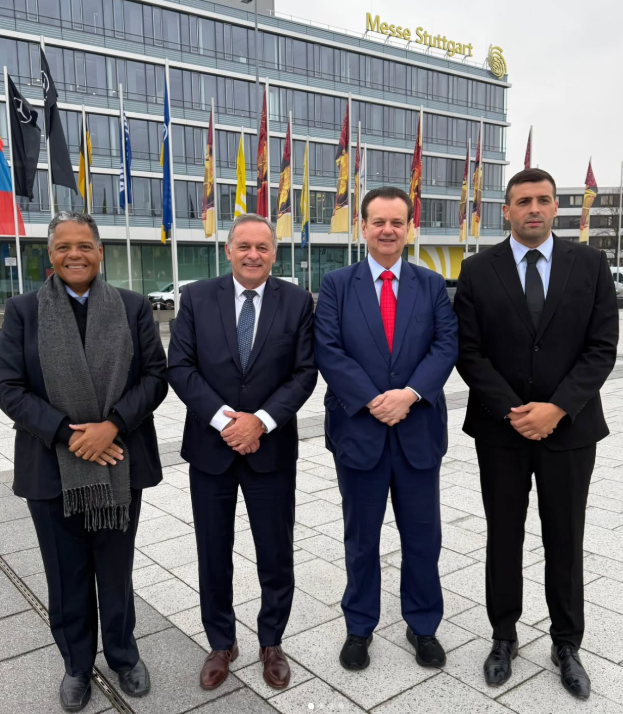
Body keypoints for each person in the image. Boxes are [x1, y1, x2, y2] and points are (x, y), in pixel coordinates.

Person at [454, 169, 618, 700]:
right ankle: (503, 636)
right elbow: (468, 351)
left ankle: (566, 643)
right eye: (523, 201)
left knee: (565, 538)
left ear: (555, 208)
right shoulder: (477, 270)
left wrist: (557, 408)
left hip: (570, 431)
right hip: (501, 432)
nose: (534, 208)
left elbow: (602, 347)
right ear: (506, 210)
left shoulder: (590, 265)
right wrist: (514, 412)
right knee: (503, 535)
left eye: (543, 200)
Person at [0, 212, 168, 712]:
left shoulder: (133, 307)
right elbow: (9, 387)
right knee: (65, 574)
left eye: (84, 245)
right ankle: (76, 665)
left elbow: (155, 378)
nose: (74, 254)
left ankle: (123, 655)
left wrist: (111, 425)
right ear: (50, 255)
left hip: (120, 461)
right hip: (50, 467)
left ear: (100, 252)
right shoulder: (23, 311)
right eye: (63, 247)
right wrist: (68, 435)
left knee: (115, 572)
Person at [167, 214, 317, 692]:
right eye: (245, 246)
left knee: (275, 552)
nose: (254, 255)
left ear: (275, 253)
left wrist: (262, 421)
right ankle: (221, 642)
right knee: (213, 551)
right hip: (211, 450)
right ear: (228, 250)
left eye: (263, 247)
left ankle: (272, 641)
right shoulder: (196, 297)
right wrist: (227, 421)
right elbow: (180, 367)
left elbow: (305, 372)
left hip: (271, 449)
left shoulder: (296, 301)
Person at [314, 187, 458, 671]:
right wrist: (374, 400)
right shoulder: (337, 284)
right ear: (363, 227)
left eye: (397, 222)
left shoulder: (431, 284)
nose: (388, 230)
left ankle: (423, 625)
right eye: (378, 221)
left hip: (418, 432)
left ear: (409, 228)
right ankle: (359, 627)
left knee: (423, 538)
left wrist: (409, 394)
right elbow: (328, 348)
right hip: (360, 432)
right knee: (361, 539)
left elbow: (445, 345)